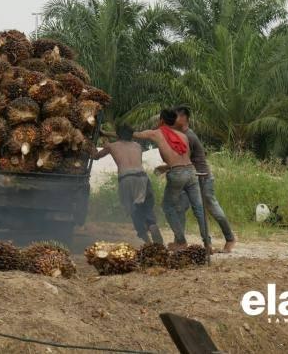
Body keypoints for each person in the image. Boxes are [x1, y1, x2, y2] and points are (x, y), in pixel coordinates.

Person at [133, 109, 207, 247]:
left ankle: (180, 240)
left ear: (161, 120)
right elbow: (185, 157)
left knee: (168, 207)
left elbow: (133, 134)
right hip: (191, 172)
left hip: (177, 174)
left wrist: (108, 133)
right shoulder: (183, 136)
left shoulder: (156, 133)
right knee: (198, 208)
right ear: (173, 121)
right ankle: (207, 243)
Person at [172, 106, 235, 253]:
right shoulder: (180, 135)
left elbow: (183, 160)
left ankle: (230, 238)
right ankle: (180, 242)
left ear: (183, 118)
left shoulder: (189, 136)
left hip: (202, 177)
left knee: (212, 208)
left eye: (174, 117)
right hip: (189, 178)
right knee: (180, 207)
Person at [92, 124, 163, 244]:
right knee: (146, 205)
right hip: (142, 177)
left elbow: (95, 157)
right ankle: (151, 224)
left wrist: (92, 147)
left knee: (134, 210)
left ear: (118, 135)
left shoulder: (112, 146)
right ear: (131, 134)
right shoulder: (138, 146)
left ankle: (146, 239)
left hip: (126, 179)